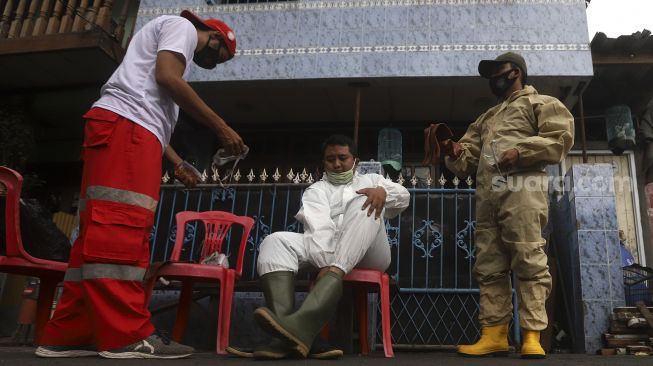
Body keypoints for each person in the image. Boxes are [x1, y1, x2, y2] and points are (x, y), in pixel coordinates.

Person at [35, 10, 245, 359]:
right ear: (212, 33)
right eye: (216, 52)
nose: (212, 60)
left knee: (95, 231)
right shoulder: (181, 28)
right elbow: (167, 78)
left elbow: (149, 112)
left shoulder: (163, 43)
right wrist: (220, 126)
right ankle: (125, 335)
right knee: (122, 226)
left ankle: (71, 331)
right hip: (127, 131)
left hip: (123, 129)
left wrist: (177, 163)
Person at [442, 52, 574, 359]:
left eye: (497, 72)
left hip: (522, 190)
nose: (492, 79)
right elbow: (466, 162)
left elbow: (560, 138)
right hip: (488, 197)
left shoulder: (539, 103)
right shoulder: (486, 118)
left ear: (515, 72)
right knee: (489, 265)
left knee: (528, 257)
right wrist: (452, 150)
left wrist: (521, 150)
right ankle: (494, 335)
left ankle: (531, 336)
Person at [250, 135, 409, 359]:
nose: (336, 164)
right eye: (330, 159)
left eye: (342, 158)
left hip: (371, 254)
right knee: (275, 241)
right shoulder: (316, 190)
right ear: (323, 162)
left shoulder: (372, 179)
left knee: (364, 201)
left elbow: (404, 196)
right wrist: (327, 262)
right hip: (326, 249)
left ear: (355, 160)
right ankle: (288, 330)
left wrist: (383, 192)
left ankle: (299, 325)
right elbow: (320, 230)